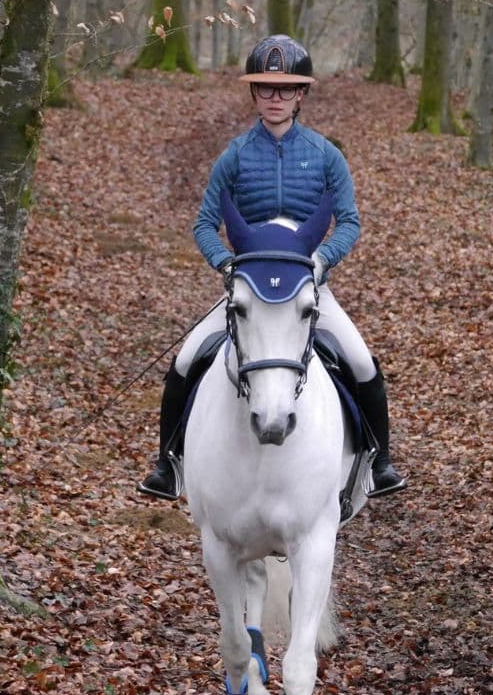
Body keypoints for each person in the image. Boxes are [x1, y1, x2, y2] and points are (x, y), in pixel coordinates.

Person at [138, 34, 407, 500]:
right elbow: (204, 224)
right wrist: (225, 263)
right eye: (266, 88)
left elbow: (350, 222)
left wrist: (322, 260)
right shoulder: (235, 156)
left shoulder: (326, 156)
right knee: (184, 361)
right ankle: (169, 464)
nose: (275, 97)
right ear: (254, 94)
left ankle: (378, 462)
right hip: (248, 287)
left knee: (361, 362)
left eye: (285, 89)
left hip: (308, 286)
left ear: (301, 94)